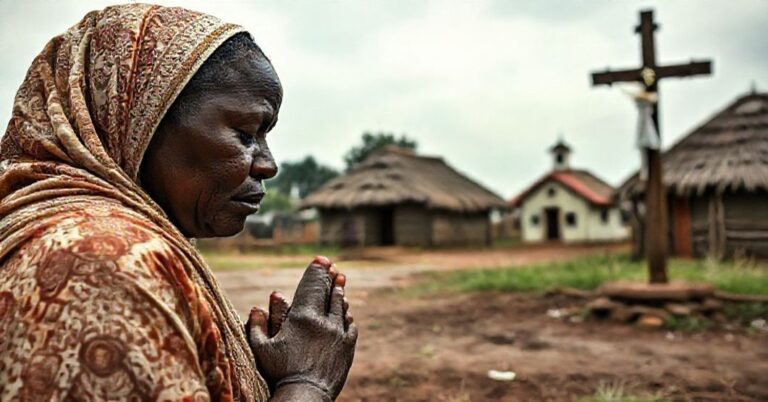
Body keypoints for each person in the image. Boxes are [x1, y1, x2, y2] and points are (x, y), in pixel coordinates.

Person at [0, 4, 356, 401]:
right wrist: (307, 382)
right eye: (245, 134)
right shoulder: (99, 263)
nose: (268, 165)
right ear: (140, 122)